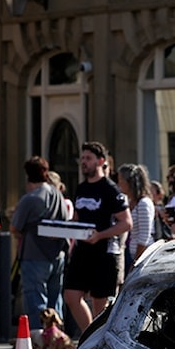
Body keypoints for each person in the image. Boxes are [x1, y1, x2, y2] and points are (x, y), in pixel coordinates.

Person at [63, 142, 131, 332]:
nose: (84, 162)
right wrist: (61, 231)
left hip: (104, 252)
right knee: (71, 295)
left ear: (100, 161)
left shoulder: (110, 189)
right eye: (82, 158)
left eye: (88, 158)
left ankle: (98, 343)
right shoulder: (81, 188)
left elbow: (126, 223)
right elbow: (76, 219)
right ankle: (89, 339)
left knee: (99, 304)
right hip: (82, 251)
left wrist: (100, 235)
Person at [11, 156, 69, 330]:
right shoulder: (57, 194)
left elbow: (15, 227)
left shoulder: (30, 199)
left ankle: (39, 339)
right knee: (55, 299)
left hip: (33, 255)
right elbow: (65, 221)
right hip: (57, 255)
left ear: (28, 175)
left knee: (35, 299)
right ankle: (56, 338)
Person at [116, 163, 154, 272]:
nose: (119, 184)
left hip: (142, 257)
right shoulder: (128, 202)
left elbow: (144, 236)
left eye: (121, 180)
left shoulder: (143, 204)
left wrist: (136, 261)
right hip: (129, 252)